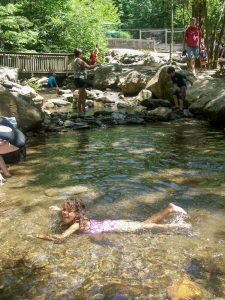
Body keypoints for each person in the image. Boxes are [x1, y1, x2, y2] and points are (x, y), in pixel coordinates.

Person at [37, 196, 191, 241]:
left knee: (147, 226)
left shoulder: (76, 225)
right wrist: (58, 209)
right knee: (144, 224)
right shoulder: (78, 218)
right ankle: (169, 209)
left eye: (68, 211)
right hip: (112, 224)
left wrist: (42, 235)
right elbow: (67, 214)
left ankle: (177, 227)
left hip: (115, 227)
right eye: (64, 210)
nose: (64, 213)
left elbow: (61, 237)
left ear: (76, 214)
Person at [71, 48, 96, 116]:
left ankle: (83, 109)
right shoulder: (79, 60)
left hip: (76, 78)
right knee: (81, 95)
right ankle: (79, 111)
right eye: (82, 53)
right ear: (79, 54)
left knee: (84, 94)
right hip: (81, 79)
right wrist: (96, 65)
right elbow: (89, 67)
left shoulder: (73, 60)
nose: (82, 55)